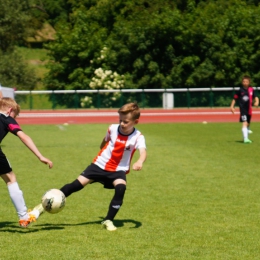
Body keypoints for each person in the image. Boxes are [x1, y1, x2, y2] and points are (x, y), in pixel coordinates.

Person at [34, 102, 147, 231]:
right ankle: (41, 207)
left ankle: (108, 220)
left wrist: (140, 161)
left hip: (118, 170)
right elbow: (105, 140)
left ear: (135, 122)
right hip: (99, 164)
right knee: (75, 185)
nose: (121, 123)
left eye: (126, 122)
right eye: (120, 120)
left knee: (121, 188)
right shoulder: (112, 128)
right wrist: (102, 148)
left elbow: (143, 152)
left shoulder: (138, 137)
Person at [0, 97, 53, 227]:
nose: (15, 119)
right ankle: (23, 217)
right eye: (15, 115)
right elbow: (23, 136)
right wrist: (40, 156)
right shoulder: (7, 119)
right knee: (11, 179)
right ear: (10, 110)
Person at [230, 75, 259, 143]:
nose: (245, 83)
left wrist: (257, 102)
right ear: (242, 82)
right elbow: (235, 98)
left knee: (248, 124)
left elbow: (256, 97)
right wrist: (232, 106)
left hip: (249, 110)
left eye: (246, 81)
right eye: (244, 81)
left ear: (249, 82)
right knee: (245, 123)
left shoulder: (251, 89)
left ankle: (246, 138)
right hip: (243, 110)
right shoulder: (240, 90)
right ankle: (245, 139)